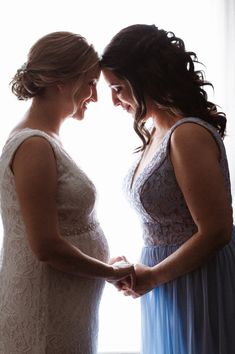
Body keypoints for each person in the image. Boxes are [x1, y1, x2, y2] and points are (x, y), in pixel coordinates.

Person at [101, 24, 235, 354]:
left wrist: (154, 276)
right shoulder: (154, 133)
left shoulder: (186, 134)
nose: (114, 100)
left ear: (144, 78)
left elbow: (217, 231)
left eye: (118, 88)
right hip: (164, 280)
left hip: (198, 282)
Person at [0, 31, 134, 354]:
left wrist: (99, 260)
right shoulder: (33, 146)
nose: (95, 96)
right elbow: (45, 246)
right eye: (90, 83)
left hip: (62, 308)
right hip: (42, 315)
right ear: (61, 81)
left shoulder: (45, 140)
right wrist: (109, 271)